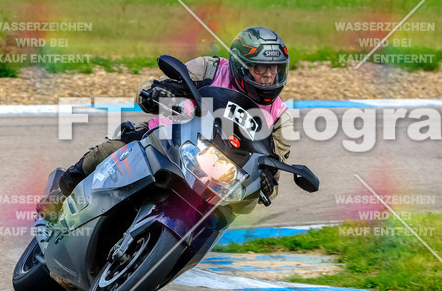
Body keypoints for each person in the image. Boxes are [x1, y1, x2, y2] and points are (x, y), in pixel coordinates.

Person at [37, 26, 295, 221]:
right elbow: (150, 86)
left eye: (275, 69)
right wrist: (156, 93)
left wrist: (266, 180)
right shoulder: (211, 69)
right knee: (115, 148)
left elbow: (275, 167)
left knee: (229, 215)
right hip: (172, 140)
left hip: (220, 177)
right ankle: (63, 191)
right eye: (261, 68)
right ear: (240, 65)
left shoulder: (280, 116)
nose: (269, 75)